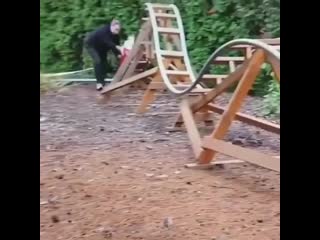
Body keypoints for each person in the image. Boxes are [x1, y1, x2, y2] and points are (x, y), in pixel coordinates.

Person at [84, 19, 122, 91]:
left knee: (104, 63)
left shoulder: (116, 35)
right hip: (92, 45)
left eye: (118, 30)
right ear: (112, 26)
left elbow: (115, 45)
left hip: (102, 48)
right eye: (116, 29)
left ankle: (102, 82)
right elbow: (109, 43)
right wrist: (118, 47)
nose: (117, 31)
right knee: (98, 61)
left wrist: (118, 55)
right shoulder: (103, 31)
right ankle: (99, 83)